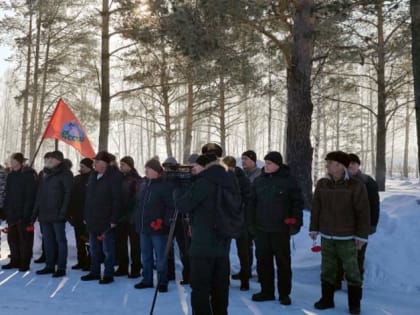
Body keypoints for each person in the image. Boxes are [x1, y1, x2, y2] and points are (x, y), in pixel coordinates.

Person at [310, 151, 370, 315]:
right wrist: (314, 228)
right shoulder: (322, 184)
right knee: (327, 270)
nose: (327, 165)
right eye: (327, 162)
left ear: (340, 165)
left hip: (348, 238)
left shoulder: (356, 186)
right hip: (327, 236)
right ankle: (327, 300)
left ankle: (354, 305)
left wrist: (361, 236)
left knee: (352, 272)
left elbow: (363, 213)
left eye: (330, 162)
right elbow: (316, 208)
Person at [175, 151, 235, 315]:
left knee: (200, 289)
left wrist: (177, 188)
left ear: (205, 166)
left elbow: (184, 205)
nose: (192, 169)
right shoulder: (227, 179)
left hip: (203, 244)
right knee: (220, 288)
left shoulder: (205, 182)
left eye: (195, 166)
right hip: (222, 243)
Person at [250, 151, 303, 306]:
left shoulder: (289, 181)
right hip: (261, 229)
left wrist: (295, 223)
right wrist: (251, 225)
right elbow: (251, 204)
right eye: (265, 163)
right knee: (263, 262)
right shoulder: (258, 181)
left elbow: (297, 203)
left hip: (281, 229)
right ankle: (267, 291)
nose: (266, 166)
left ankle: (284, 294)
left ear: (277, 165)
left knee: (283, 263)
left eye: (269, 163)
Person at [334, 153, 380, 289]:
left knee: (357, 256)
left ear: (359, 165)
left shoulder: (367, 181)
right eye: (348, 163)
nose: (351, 165)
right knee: (339, 254)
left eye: (354, 163)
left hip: (361, 225)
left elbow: (374, 204)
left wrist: (372, 224)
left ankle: (355, 284)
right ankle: (337, 281)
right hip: (341, 225)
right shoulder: (338, 180)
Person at [81, 151, 123, 284]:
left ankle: (108, 274)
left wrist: (113, 219)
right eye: (94, 162)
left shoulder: (114, 176)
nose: (95, 164)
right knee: (93, 248)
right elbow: (88, 198)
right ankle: (94, 272)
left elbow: (117, 200)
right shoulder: (93, 176)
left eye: (97, 162)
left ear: (105, 163)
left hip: (106, 220)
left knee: (108, 249)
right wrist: (86, 215)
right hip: (93, 218)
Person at [134, 158, 173, 292]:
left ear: (156, 171)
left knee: (161, 257)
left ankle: (162, 282)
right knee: (145, 255)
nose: (146, 171)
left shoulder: (164, 185)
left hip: (158, 228)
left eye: (148, 169)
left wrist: (163, 222)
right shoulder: (144, 184)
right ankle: (147, 279)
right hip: (144, 227)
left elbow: (170, 207)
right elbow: (139, 205)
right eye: (145, 169)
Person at [33, 150, 73, 277]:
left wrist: (63, 211)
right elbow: (39, 195)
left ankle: (61, 267)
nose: (48, 161)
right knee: (48, 241)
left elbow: (68, 194)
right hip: (45, 213)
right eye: (47, 159)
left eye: (51, 159)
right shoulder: (45, 174)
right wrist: (35, 212)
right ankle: (49, 265)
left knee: (60, 240)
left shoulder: (65, 173)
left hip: (58, 213)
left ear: (59, 160)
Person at [2, 153, 38, 272]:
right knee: (12, 239)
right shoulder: (11, 175)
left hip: (23, 213)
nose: (10, 162)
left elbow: (30, 196)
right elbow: (8, 194)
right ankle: (14, 260)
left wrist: (27, 213)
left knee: (25, 240)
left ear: (19, 161)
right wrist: (5, 209)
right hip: (12, 213)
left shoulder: (29, 175)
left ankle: (24, 262)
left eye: (13, 160)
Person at [223, 155, 252, 291]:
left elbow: (249, 199)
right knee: (224, 251)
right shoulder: (223, 180)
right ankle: (224, 279)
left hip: (241, 220)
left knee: (243, 252)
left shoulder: (243, 180)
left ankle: (245, 280)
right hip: (227, 220)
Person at [163, 156, 191, 285]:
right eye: (166, 167)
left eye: (171, 167)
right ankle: (169, 274)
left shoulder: (183, 180)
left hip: (181, 218)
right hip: (167, 217)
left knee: (184, 249)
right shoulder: (164, 180)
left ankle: (188, 274)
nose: (168, 170)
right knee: (167, 248)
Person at [115, 156, 142, 278]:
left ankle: (136, 268)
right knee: (121, 243)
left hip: (132, 217)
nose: (121, 167)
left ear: (130, 165)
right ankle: (123, 267)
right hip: (121, 216)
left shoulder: (136, 179)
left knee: (135, 244)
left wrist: (128, 212)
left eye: (123, 165)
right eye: (120, 165)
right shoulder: (120, 179)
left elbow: (136, 199)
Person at [67, 158, 93, 271]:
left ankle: (90, 261)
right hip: (77, 214)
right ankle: (81, 260)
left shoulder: (93, 178)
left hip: (89, 215)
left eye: (83, 166)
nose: (81, 168)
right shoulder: (76, 179)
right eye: (80, 166)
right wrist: (69, 213)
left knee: (89, 240)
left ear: (90, 167)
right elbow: (71, 196)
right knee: (79, 240)